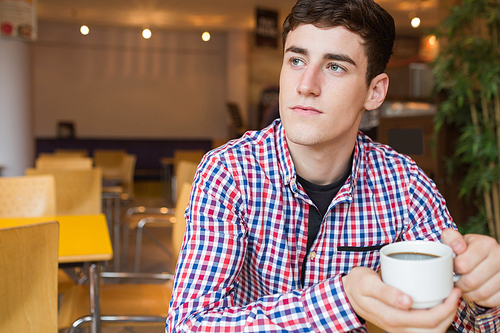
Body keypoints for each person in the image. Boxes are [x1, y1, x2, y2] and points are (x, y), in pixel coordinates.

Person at [166, 0, 500, 332]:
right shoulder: (229, 171)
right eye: (296, 60)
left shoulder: (405, 186)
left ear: (374, 92)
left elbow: (464, 320)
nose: (305, 85)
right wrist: (343, 299)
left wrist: (486, 294)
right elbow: (188, 324)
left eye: (334, 67)